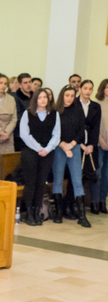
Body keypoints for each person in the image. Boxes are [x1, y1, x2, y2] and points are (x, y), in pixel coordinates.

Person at [19, 89, 60, 226]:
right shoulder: (28, 113)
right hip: (30, 152)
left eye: (45, 97)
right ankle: (29, 213)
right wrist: (38, 148)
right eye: (40, 97)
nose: (43, 100)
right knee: (31, 182)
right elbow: (24, 134)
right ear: (35, 100)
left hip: (47, 153)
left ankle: (37, 211)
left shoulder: (54, 114)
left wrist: (47, 149)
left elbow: (56, 134)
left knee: (41, 182)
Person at [51, 85, 88, 227]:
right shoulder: (55, 111)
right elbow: (53, 131)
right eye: (67, 95)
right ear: (62, 96)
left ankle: (82, 215)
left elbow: (81, 131)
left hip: (74, 147)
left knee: (77, 180)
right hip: (59, 148)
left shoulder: (78, 110)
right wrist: (63, 145)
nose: (69, 98)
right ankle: (58, 212)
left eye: (72, 96)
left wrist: (71, 144)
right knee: (58, 179)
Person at [78, 80, 102, 214]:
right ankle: (76, 204)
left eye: (90, 89)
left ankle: (94, 203)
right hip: (77, 143)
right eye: (85, 88)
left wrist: (91, 144)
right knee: (77, 174)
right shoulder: (75, 104)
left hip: (91, 145)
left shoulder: (95, 106)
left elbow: (96, 127)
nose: (88, 91)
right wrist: (81, 144)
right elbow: (74, 127)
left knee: (94, 173)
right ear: (80, 89)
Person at [96, 79, 108, 214]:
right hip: (99, 143)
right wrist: (102, 141)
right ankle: (94, 202)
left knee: (106, 175)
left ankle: (102, 201)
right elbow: (95, 127)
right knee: (98, 173)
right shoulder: (97, 105)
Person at [13, 73, 33, 151]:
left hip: (34, 134)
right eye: (25, 83)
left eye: (30, 82)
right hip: (20, 135)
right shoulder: (15, 98)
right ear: (20, 84)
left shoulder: (35, 96)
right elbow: (18, 117)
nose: (28, 85)